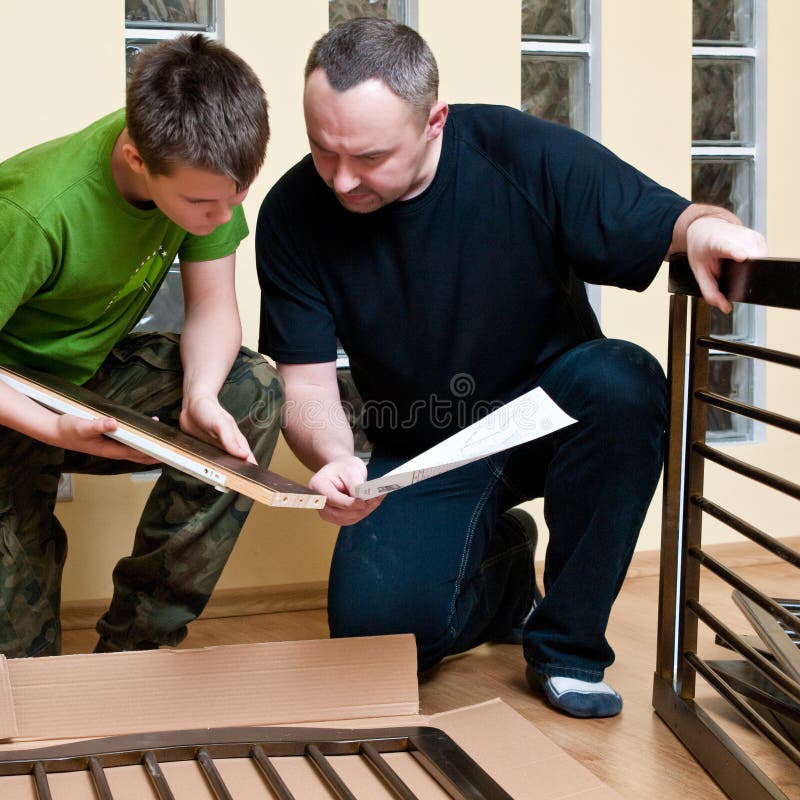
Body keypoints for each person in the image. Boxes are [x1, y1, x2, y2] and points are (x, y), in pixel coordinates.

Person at [255, 18, 767, 718]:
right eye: (323, 150)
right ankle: (502, 577)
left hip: (552, 412)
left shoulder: (517, 151)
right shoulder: (293, 213)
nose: (342, 179)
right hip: (425, 447)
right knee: (375, 644)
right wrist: (336, 456)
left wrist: (707, 227)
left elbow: (670, 221)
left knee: (626, 381)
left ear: (435, 121)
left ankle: (568, 647)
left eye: (370, 157)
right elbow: (306, 386)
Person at [0, 34, 283, 658]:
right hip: (9, 393)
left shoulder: (204, 168)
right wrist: (51, 431)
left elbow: (212, 304)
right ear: (134, 156)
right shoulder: (33, 210)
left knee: (250, 391)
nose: (220, 216)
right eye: (201, 203)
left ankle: (136, 651)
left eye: (233, 199)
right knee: (21, 675)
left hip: (81, 379)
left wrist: (201, 395)